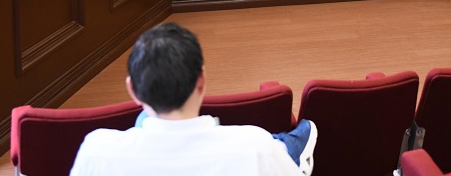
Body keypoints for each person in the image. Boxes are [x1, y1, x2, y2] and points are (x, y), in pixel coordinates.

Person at [70, 23, 316, 176]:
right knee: (279, 148)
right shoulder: (256, 146)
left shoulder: (97, 151)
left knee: (143, 120)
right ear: (201, 81)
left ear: (133, 90)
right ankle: (289, 148)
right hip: (268, 157)